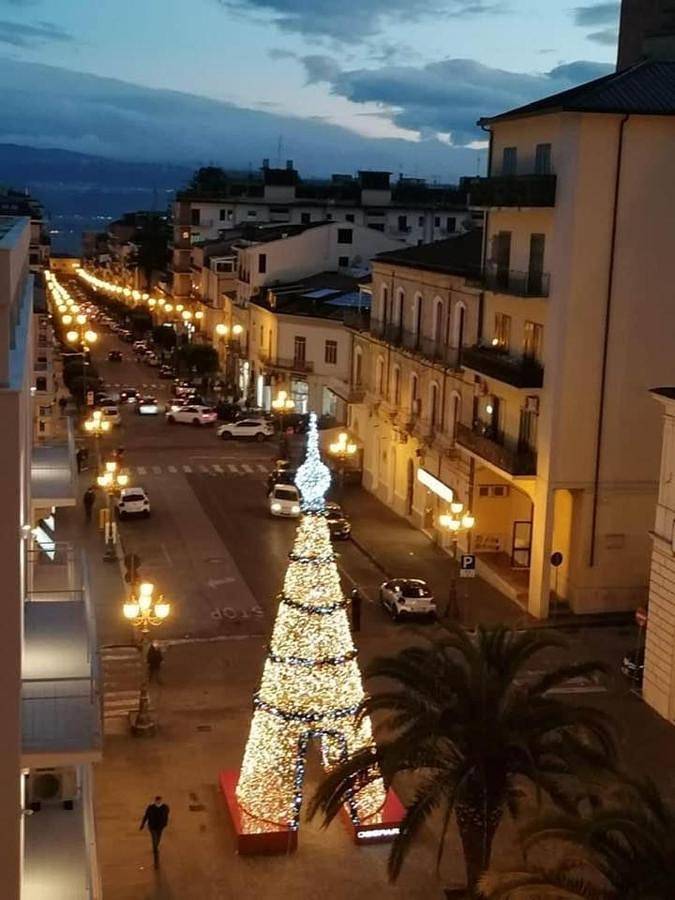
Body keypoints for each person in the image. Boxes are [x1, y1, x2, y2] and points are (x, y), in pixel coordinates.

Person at [140, 796, 170, 868]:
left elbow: (166, 815)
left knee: (158, 838)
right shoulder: (151, 807)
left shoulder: (165, 807)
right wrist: (142, 824)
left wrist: (165, 823)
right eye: (157, 801)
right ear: (155, 801)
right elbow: (146, 816)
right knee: (154, 838)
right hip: (152, 826)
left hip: (160, 827)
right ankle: (155, 848)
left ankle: (156, 846)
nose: (158, 802)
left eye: (159, 801)